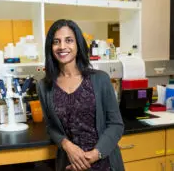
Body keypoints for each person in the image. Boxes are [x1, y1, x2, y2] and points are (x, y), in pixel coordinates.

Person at [37, 19, 124, 171]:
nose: (62, 46)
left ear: (78, 44)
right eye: (56, 41)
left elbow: (116, 124)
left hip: (104, 163)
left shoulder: (100, 79)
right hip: (71, 165)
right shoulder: (44, 86)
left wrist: (95, 155)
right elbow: (51, 126)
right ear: (50, 47)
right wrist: (67, 145)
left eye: (69, 40)